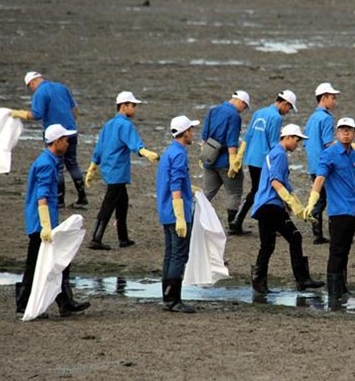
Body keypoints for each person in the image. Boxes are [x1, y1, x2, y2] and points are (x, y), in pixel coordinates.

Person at [304, 117, 355, 300]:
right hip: (338, 211)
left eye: (349, 130)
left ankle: (342, 287)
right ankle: (333, 291)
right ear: (337, 133)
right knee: (337, 250)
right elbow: (320, 178)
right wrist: (313, 200)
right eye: (342, 130)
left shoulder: (354, 156)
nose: (346, 133)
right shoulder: (329, 154)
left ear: (354, 133)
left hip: (351, 210)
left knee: (346, 249)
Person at [15, 124, 90, 317]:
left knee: (50, 262)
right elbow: (42, 197)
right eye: (65, 140)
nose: (68, 143)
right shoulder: (47, 164)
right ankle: (28, 303)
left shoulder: (49, 160)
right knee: (41, 263)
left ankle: (62, 302)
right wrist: (46, 226)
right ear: (56, 141)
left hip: (40, 221)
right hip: (41, 223)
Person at [250, 124, 324, 294]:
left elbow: (285, 184)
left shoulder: (274, 153)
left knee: (267, 245)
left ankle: (258, 282)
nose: (297, 144)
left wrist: (295, 206)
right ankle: (302, 279)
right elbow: (275, 182)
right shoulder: (280, 154)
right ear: (288, 137)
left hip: (263, 206)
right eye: (297, 140)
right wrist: (292, 203)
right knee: (295, 237)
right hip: (270, 206)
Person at [84, 91, 160, 250]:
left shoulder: (109, 124)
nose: (135, 109)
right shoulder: (125, 125)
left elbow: (99, 147)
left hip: (109, 169)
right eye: (133, 105)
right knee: (108, 205)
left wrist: (92, 167)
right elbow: (134, 145)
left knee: (122, 203)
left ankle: (123, 238)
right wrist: (146, 153)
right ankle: (96, 239)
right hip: (117, 171)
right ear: (123, 106)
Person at [10, 71, 87, 209]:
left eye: (30, 86)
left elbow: (37, 114)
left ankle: (59, 200)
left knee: (58, 166)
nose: (32, 89)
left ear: (32, 82)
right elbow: (74, 109)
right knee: (73, 163)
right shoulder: (61, 87)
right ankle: (82, 197)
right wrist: (71, 123)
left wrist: (19, 113)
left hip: (54, 135)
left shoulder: (40, 93)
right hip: (71, 131)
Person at [229, 90, 297, 234]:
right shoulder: (276, 118)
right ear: (284, 103)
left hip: (252, 158)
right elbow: (273, 143)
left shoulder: (259, 112)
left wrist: (238, 158)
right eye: (289, 107)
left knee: (255, 190)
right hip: (264, 160)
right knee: (269, 190)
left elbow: (248, 136)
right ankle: (272, 223)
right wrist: (281, 162)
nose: (288, 111)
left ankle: (237, 220)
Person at [156, 115, 200, 313]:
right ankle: (174, 299)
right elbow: (175, 185)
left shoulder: (169, 152)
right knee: (179, 256)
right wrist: (181, 215)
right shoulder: (179, 154)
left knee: (169, 254)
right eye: (191, 129)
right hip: (176, 212)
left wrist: (190, 188)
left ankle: (167, 297)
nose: (193, 133)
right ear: (185, 132)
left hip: (166, 211)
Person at [200, 90, 250, 235]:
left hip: (210, 159)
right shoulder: (234, 116)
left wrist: (204, 155)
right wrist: (233, 162)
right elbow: (231, 142)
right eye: (245, 107)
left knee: (207, 193)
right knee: (233, 192)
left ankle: (193, 217)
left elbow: (204, 136)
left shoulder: (213, 110)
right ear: (241, 102)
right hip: (224, 161)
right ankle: (233, 226)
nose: (243, 110)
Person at [303, 82, 340, 244]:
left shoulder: (312, 118)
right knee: (329, 199)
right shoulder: (325, 118)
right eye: (333, 98)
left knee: (319, 197)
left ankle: (317, 232)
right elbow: (328, 143)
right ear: (324, 98)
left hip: (313, 164)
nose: (335, 101)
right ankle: (321, 229)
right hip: (324, 165)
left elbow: (305, 142)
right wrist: (345, 147)